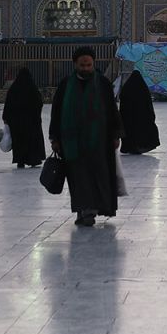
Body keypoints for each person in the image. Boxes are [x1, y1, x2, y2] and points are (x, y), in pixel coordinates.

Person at [49, 47, 123, 228]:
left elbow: (112, 111)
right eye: (82, 65)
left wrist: (116, 134)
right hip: (72, 142)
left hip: (99, 141)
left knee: (98, 177)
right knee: (78, 179)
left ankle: (93, 210)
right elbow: (56, 113)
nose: (86, 68)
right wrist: (54, 138)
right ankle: (84, 211)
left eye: (89, 65)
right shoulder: (66, 85)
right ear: (75, 64)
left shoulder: (103, 84)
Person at [2, 67, 46, 168]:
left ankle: (20, 160)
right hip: (32, 122)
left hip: (17, 123)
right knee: (32, 141)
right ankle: (33, 159)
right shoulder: (32, 88)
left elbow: (8, 104)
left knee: (19, 142)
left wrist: (6, 118)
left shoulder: (14, 89)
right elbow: (39, 103)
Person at [118, 70, 161, 154]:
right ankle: (140, 146)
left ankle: (130, 147)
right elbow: (149, 105)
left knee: (130, 132)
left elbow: (122, 103)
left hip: (128, 119)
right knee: (141, 132)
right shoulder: (143, 89)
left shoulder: (126, 89)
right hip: (141, 118)